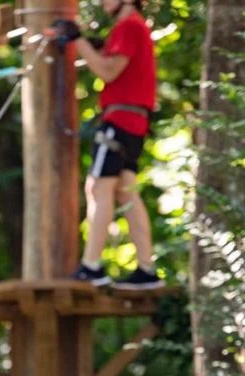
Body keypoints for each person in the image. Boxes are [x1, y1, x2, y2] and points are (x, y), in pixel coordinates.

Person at [54, 0, 162, 289]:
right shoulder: (132, 28)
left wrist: (79, 40)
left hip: (121, 119)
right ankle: (146, 269)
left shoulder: (129, 25)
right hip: (135, 121)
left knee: (98, 188)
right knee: (126, 193)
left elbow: (108, 71)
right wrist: (93, 45)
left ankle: (91, 267)